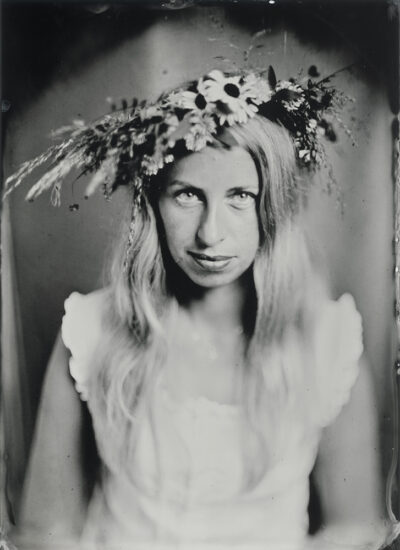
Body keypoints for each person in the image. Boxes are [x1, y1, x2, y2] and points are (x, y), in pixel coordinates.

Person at [8, 68, 386, 549]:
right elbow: (45, 532)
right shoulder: (90, 331)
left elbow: (354, 530)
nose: (210, 234)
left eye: (241, 197)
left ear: (273, 208)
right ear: (153, 203)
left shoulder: (326, 339)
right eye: (187, 195)